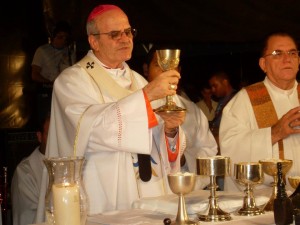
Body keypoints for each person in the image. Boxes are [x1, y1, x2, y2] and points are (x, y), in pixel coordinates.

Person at [36, 4, 185, 219]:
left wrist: (170, 131)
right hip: (102, 193)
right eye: (115, 34)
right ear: (93, 41)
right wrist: (145, 96)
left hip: (148, 192)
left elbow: (158, 144)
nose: (125, 39)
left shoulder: (139, 81)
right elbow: (92, 131)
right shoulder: (71, 81)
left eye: (128, 32)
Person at [219, 31, 300, 191]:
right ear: (263, 64)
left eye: (292, 53)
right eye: (277, 54)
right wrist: (274, 133)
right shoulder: (244, 100)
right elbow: (230, 150)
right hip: (264, 199)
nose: (287, 58)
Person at [144, 46, 218, 184]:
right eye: (158, 65)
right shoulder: (134, 106)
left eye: (171, 67)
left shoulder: (192, 110)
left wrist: (184, 158)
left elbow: (209, 150)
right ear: (146, 69)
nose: (165, 73)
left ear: (179, 71)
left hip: (185, 188)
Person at [31, 20, 76, 124]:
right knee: (47, 121)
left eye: (66, 38)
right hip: (47, 91)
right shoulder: (42, 50)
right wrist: (50, 82)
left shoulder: (70, 52)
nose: (63, 40)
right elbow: (34, 74)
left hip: (64, 93)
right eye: (60, 37)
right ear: (53, 37)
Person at [11, 114, 50, 225]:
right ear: (39, 136)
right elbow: (28, 218)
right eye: (50, 135)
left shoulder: (68, 164)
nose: (55, 140)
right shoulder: (25, 172)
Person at [209, 71, 237, 148]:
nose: (213, 90)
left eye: (215, 86)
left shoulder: (236, 98)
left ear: (225, 82)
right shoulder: (222, 100)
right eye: (211, 87)